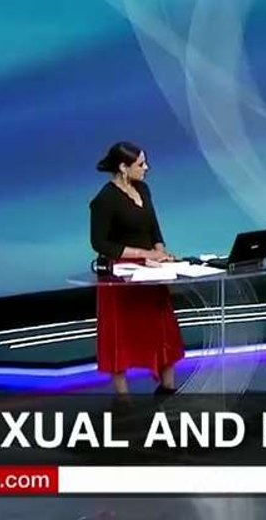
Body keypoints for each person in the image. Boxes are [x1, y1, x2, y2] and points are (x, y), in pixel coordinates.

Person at [89, 141, 184, 395]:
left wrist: (161, 252)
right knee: (121, 334)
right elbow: (100, 243)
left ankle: (168, 388)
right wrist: (144, 254)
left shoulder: (143, 189)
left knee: (162, 327)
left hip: (152, 269)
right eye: (141, 164)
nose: (146, 168)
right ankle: (123, 400)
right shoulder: (105, 199)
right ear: (123, 167)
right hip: (121, 275)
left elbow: (153, 227)